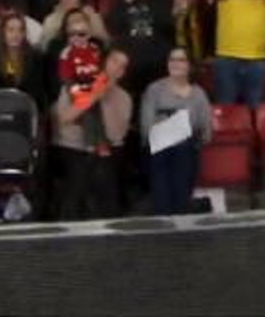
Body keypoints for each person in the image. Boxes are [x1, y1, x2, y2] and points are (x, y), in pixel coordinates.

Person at [53, 47, 132, 221]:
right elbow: (64, 118)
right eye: (114, 61)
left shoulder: (124, 97)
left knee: (106, 177)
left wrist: (107, 97)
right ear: (103, 62)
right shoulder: (74, 85)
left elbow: (116, 135)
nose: (116, 68)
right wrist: (94, 95)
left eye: (122, 66)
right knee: (79, 178)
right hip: (73, 146)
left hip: (105, 150)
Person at [139, 48, 213, 215]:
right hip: (158, 150)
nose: (175, 63)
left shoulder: (198, 94)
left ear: (189, 66)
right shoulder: (154, 90)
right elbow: (146, 126)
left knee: (184, 149)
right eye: (172, 59)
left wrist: (171, 124)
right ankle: (164, 210)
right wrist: (178, 128)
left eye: (181, 60)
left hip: (186, 150)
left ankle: (180, 210)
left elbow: (206, 131)